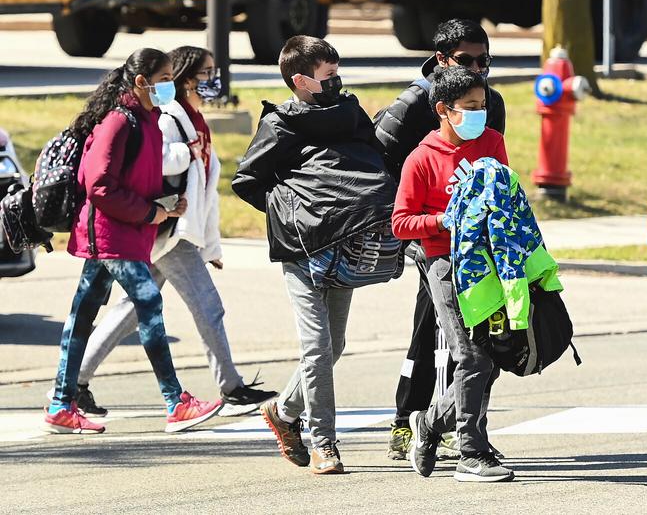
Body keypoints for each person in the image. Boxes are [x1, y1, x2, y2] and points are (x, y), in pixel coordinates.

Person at [73, 47, 277, 418]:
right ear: (186, 80)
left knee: (132, 309)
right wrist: (185, 152)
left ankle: (75, 382)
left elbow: (205, 189)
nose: (214, 79)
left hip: (175, 229)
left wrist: (211, 245)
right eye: (207, 73)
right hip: (168, 230)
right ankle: (229, 388)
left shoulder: (195, 118)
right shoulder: (168, 117)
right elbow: (153, 164)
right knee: (207, 305)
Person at [232, 36, 397, 475]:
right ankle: (324, 443)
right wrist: (294, 214)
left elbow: (372, 157)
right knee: (318, 348)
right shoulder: (280, 124)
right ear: (301, 81)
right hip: (302, 250)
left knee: (334, 344)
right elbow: (247, 181)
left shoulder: (349, 112)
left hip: (347, 242)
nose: (337, 81)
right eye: (329, 76)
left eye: (337, 73)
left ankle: (282, 411)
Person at [45, 49, 223, 435]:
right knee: (149, 304)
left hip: (123, 232)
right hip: (112, 234)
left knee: (82, 315)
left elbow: (135, 178)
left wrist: (165, 206)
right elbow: (99, 185)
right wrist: (149, 213)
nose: (170, 86)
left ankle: (61, 404)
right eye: (164, 78)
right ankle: (176, 402)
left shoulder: (148, 119)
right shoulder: (118, 121)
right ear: (141, 81)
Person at [374, 18, 506, 461]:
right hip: (429, 238)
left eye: (484, 61)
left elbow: (494, 170)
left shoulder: (489, 104)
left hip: (476, 243)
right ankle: (409, 420)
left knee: (481, 344)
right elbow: (379, 161)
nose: (477, 69)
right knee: (435, 331)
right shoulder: (414, 104)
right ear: (442, 60)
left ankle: (460, 426)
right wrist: (430, 213)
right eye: (466, 60)